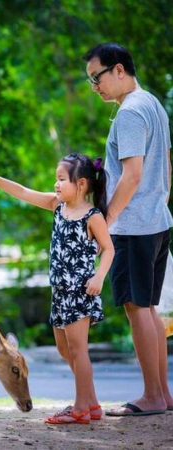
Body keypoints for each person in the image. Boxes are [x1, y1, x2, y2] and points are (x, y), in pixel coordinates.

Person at [0, 153, 114, 424]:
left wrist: (99, 277)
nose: (56, 184)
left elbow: (109, 249)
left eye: (61, 179)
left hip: (80, 292)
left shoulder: (93, 216)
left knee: (79, 350)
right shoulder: (57, 205)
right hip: (59, 292)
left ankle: (81, 407)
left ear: (81, 184)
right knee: (63, 349)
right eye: (56, 179)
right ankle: (91, 403)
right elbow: (23, 192)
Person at [83, 43, 173, 417]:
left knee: (138, 308)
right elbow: (166, 166)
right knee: (148, 308)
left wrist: (106, 219)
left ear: (118, 70)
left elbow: (132, 175)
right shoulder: (152, 103)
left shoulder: (130, 114)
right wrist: (159, 205)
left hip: (134, 228)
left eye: (97, 78)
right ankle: (163, 395)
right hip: (156, 222)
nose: (95, 87)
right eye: (90, 81)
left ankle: (152, 395)